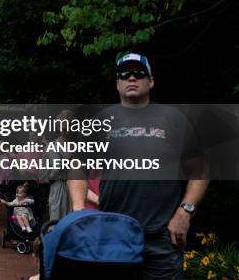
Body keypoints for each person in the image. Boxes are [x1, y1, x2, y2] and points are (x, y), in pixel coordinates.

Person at [68, 53, 209, 280]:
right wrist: (78, 210)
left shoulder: (173, 118)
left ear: (150, 81)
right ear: (117, 84)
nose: (131, 78)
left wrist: (185, 212)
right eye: (124, 74)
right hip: (113, 233)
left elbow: (201, 171)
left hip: (162, 235)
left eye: (138, 73)